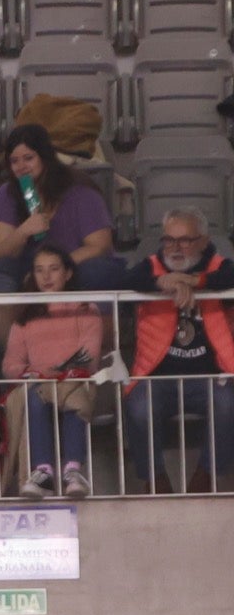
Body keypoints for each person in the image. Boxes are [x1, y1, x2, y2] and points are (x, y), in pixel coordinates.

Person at [123, 207, 234, 494]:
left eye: (184, 240)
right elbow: (121, 282)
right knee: (138, 408)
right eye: (168, 240)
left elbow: (230, 277)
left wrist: (194, 281)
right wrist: (160, 282)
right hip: (155, 376)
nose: (175, 248)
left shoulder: (219, 264)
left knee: (228, 404)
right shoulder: (151, 265)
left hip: (213, 376)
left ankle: (206, 476)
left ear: (203, 240)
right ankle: (156, 481)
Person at [0, 124, 122, 339]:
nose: (21, 166)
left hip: (74, 262)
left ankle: (94, 356)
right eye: (14, 161)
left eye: (28, 158)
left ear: (45, 157)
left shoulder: (79, 189)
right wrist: (23, 231)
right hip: (28, 263)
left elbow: (99, 245)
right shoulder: (8, 193)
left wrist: (55, 268)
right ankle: (10, 359)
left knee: (99, 271)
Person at [7, 245, 104, 500]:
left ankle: (73, 471)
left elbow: (88, 358)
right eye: (39, 271)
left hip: (75, 381)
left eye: (53, 269)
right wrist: (35, 373)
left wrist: (58, 372)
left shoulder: (85, 309)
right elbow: (10, 365)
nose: (46, 277)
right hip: (39, 385)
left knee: (74, 395)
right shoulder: (25, 316)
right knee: (35, 396)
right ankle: (43, 472)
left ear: (68, 273)